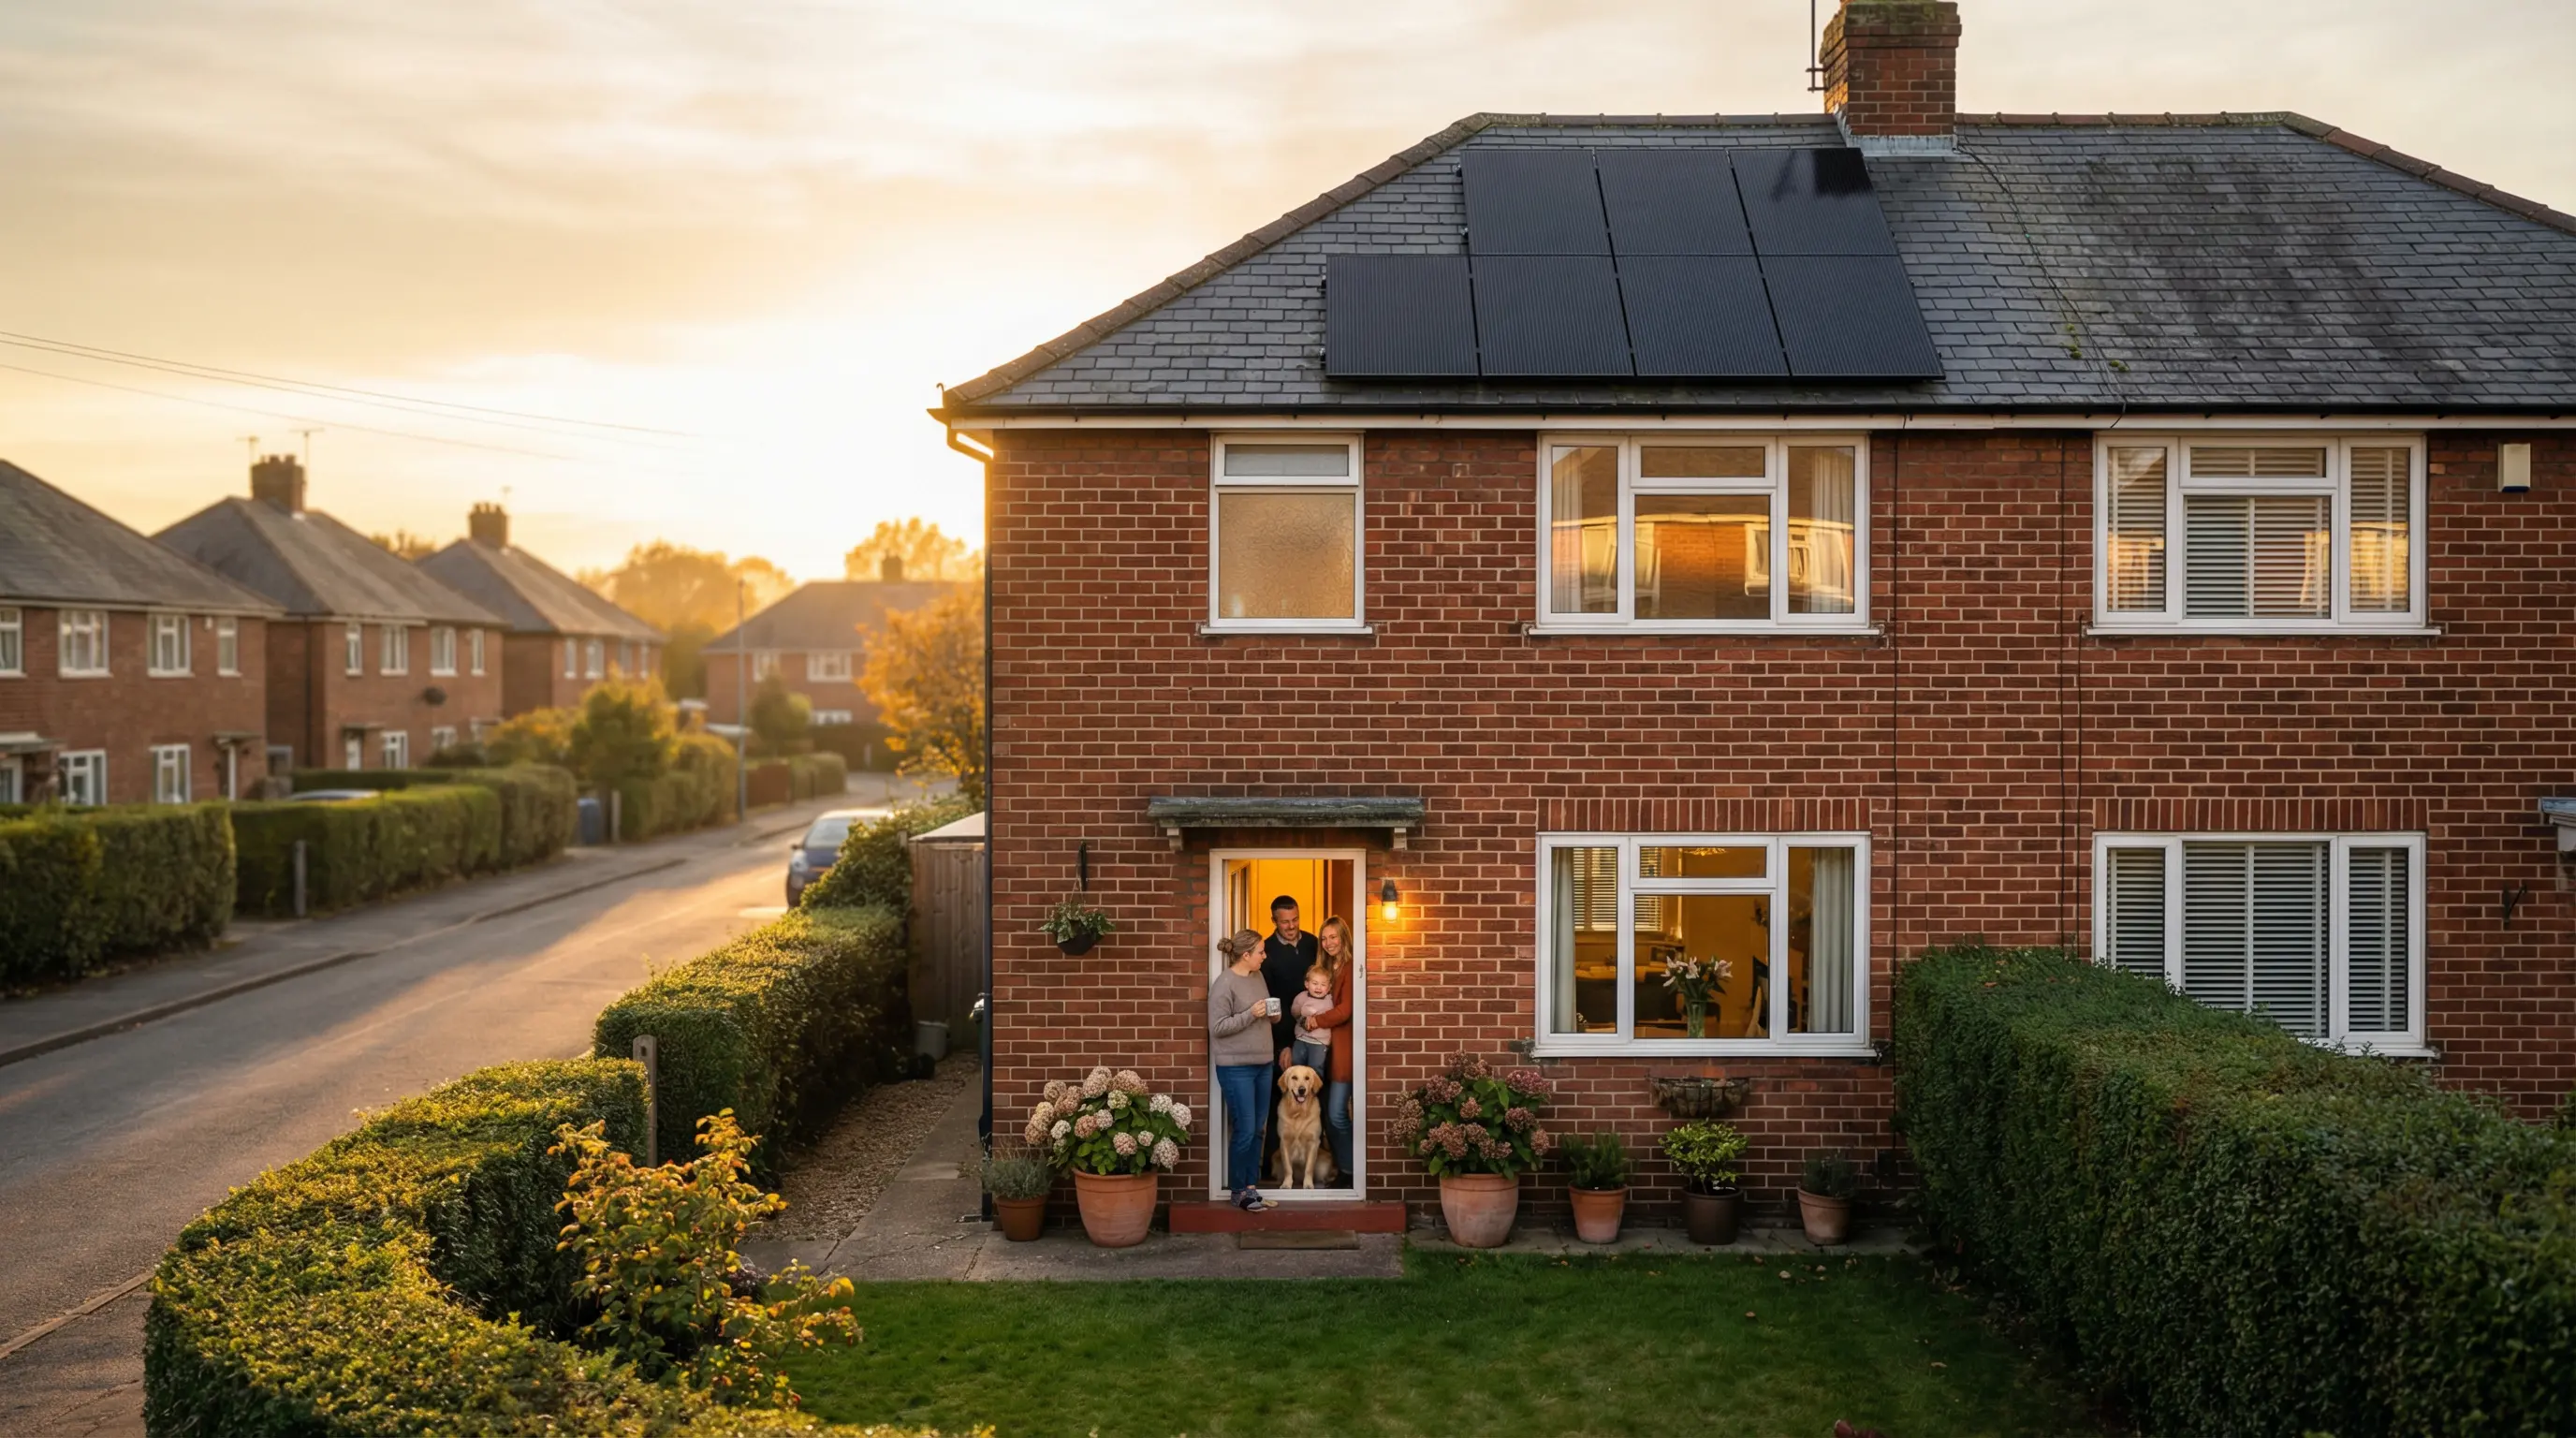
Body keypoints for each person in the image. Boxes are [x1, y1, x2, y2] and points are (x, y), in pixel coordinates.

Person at [1208, 928, 1278, 1211]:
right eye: (1261, 951)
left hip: (1264, 1064)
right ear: (1246, 955)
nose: (1265, 955)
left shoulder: (1258, 976)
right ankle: (1238, 1191)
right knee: (1246, 1129)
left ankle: (1251, 1188)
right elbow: (1218, 1027)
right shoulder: (1224, 984)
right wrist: (1251, 1014)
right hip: (1236, 1068)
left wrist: (1273, 1015)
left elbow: (1265, 1015)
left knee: (1259, 1130)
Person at [1310, 916, 1358, 1185]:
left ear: (1344, 938)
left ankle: (1352, 1173)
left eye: (1333, 937)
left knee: (1338, 1113)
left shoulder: (1350, 968)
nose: (1328, 943)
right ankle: (1344, 1169)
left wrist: (1317, 1019)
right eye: (1324, 938)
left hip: (1343, 1049)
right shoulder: (1326, 970)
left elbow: (1345, 1010)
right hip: (1324, 1050)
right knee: (1329, 1113)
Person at [1260, 896, 1318, 1070]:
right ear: (1274, 920)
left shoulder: (1313, 943)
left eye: (1295, 919)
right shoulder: (1266, 951)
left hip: (1316, 1032)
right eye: (1285, 922)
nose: (1291, 926)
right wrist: (1286, 1044)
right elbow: (1271, 1001)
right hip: (1283, 1036)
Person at [1288, 964, 1335, 1073]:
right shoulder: (1301, 997)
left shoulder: (1330, 1000)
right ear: (1307, 984)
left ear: (1328, 988)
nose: (1318, 988)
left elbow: (1332, 1017)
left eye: (1323, 985)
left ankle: (1315, 1090)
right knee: (1296, 1065)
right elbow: (1295, 1011)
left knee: (1316, 1067)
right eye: (1315, 984)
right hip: (1301, 1038)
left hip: (1319, 1042)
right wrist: (1302, 1017)